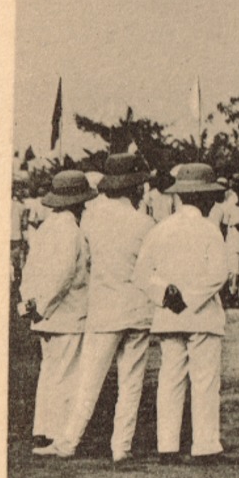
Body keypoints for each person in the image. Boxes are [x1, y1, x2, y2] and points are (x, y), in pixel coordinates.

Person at [36, 154, 155, 460]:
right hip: (139, 309)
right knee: (131, 383)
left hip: (103, 310)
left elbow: (85, 264)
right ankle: (121, 447)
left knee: (88, 382)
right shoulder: (145, 223)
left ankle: (68, 442)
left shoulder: (91, 220)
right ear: (134, 188)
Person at [132, 163, 230, 462]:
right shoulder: (210, 230)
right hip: (201, 316)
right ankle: (204, 445)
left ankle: (168, 446)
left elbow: (140, 274)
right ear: (204, 198)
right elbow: (219, 274)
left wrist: (166, 295)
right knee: (204, 380)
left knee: (171, 379)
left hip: (169, 316)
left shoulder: (160, 229)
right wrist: (190, 298)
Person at [18, 170, 94, 448]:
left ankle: (43, 428)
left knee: (50, 371)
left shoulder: (47, 228)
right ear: (76, 202)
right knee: (66, 374)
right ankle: (57, 433)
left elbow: (30, 271)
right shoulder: (71, 230)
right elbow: (63, 274)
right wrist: (45, 306)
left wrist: (31, 305)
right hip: (66, 313)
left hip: (44, 314)